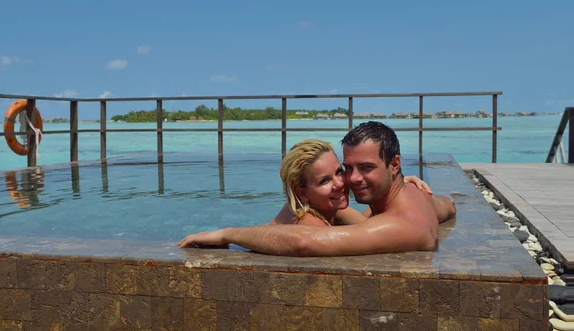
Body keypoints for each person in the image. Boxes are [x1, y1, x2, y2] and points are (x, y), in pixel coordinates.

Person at [178, 121, 456, 256]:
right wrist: (408, 182)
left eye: (367, 168)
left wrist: (228, 233)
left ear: (394, 164)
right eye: (348, 168)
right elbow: (448, 205)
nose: (351, 180)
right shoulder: (420, 197)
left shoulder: (398, 225)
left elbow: (305, 241)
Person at [269, 138, 433, 227]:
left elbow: (368, 225)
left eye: (339, 171)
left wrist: (395, 184)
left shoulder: (328, 209)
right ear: (302, 193)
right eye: (324, 180)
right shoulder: (309, 225)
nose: (339, 183)